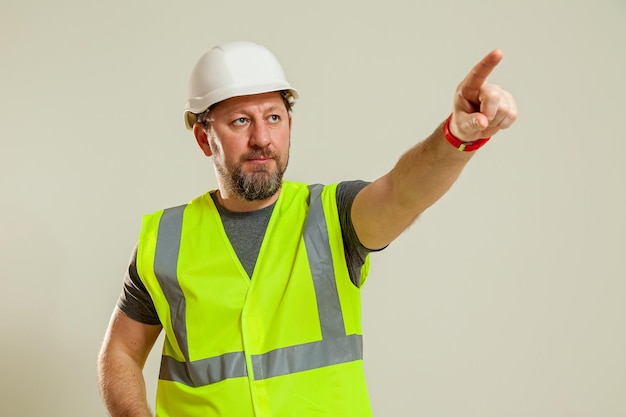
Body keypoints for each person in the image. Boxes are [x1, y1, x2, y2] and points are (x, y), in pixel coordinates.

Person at [97, 41, 517, 417]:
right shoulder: (165, 240)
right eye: (241, 121)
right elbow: (120, 352)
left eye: (274, 117)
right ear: (205, 139)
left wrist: (456, 137)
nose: (262, 138)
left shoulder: (333, 215)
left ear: (290, 126)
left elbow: (402, 193)